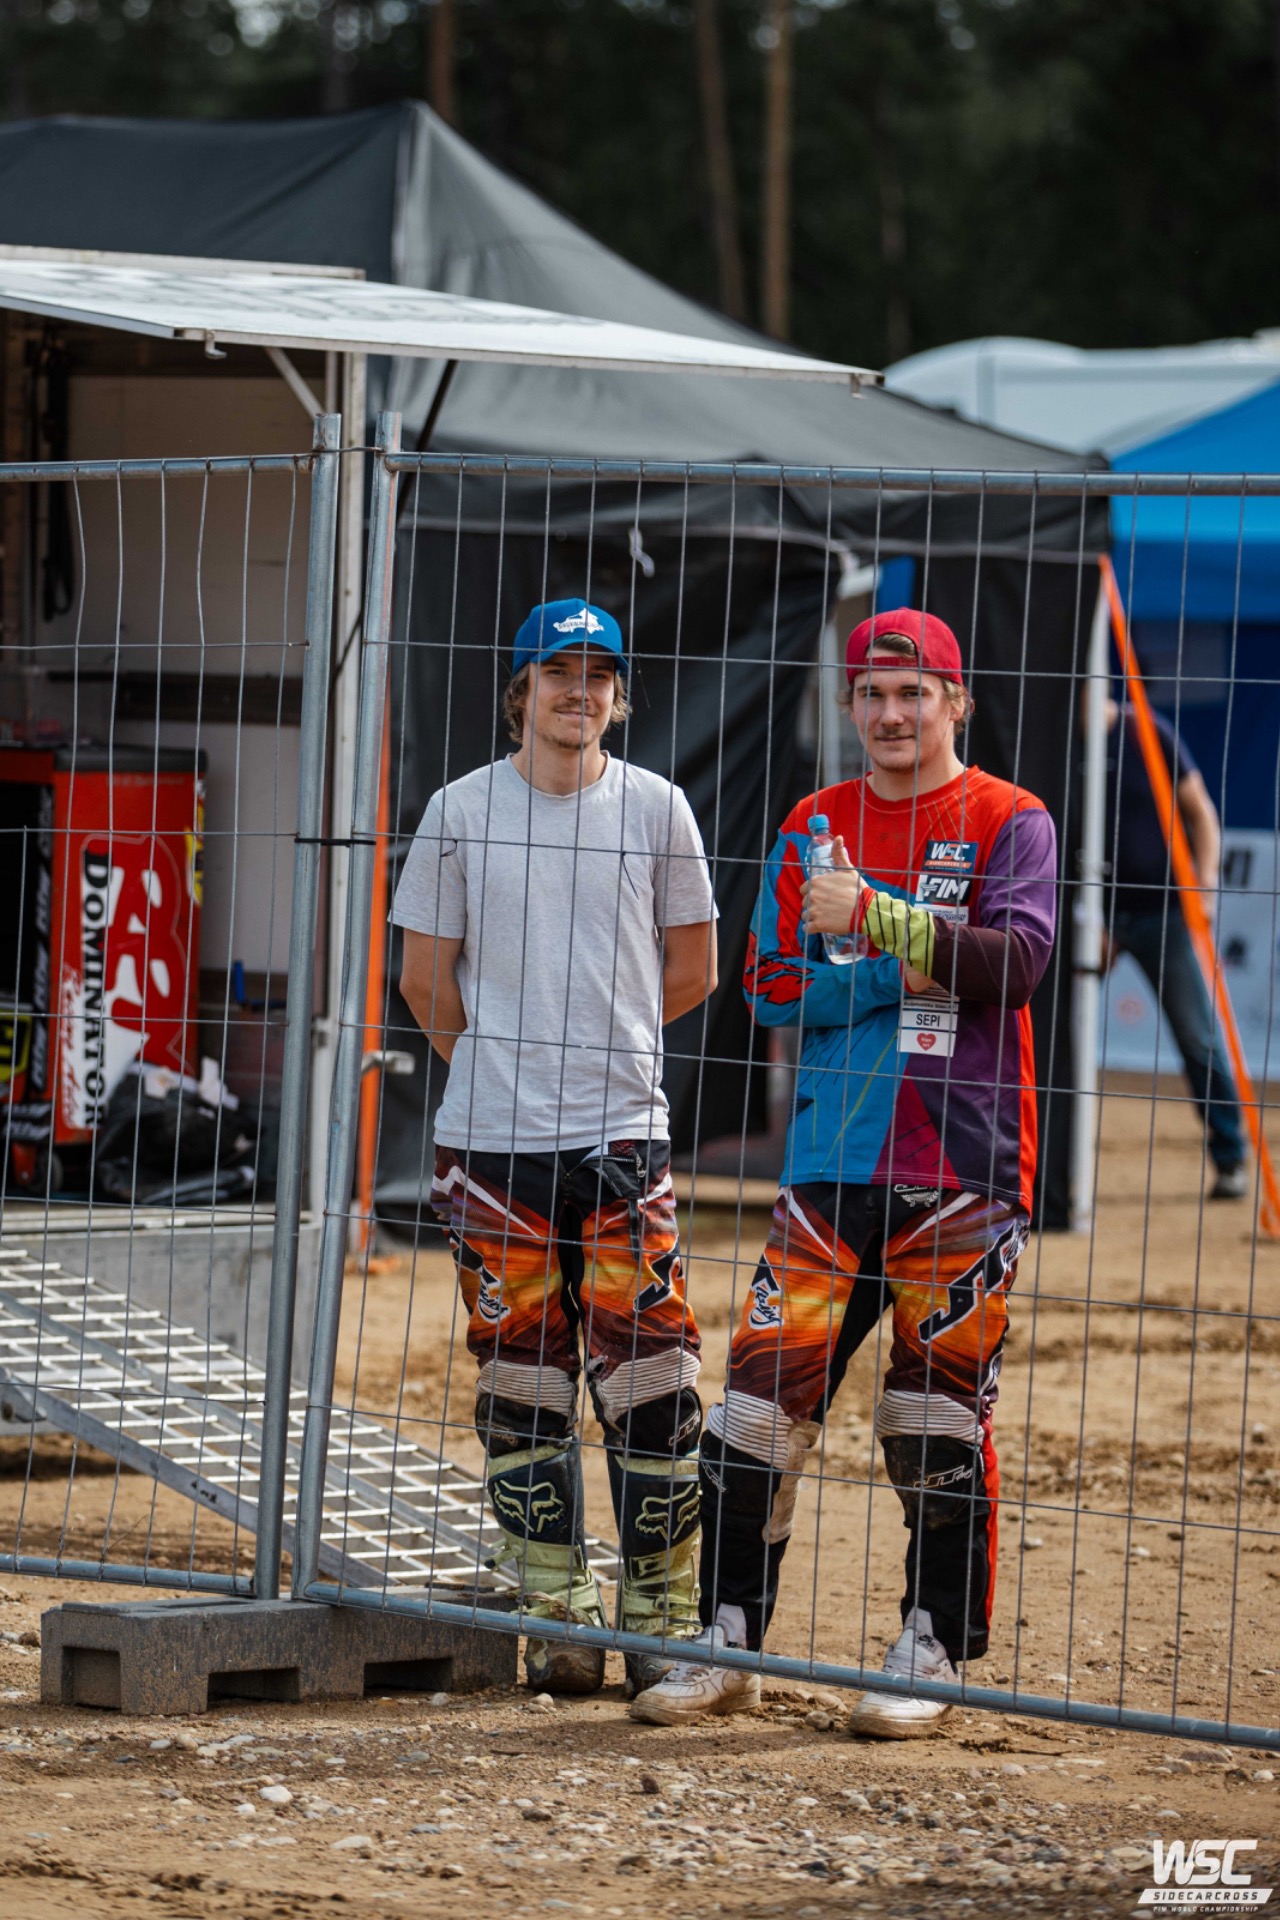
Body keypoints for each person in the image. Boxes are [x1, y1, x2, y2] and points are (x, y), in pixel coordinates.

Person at [631, 607, 1057, 1738]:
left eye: (913, 693)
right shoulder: (812, 822)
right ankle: (726, 1643)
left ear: (955, 703)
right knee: (756, 1409)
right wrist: (898, 966)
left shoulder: (1011, 818)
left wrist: (870, 919)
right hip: (826, 1167)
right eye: (871, 693)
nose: (890, 713)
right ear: (848, 703)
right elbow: (768, 990)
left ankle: (930, 1652)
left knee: (932, 1419)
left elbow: (1016, 964)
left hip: (963, 1162)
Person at [393, 598, 718, 1699]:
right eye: (558, 673)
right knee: (522, 1383)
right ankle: (557, 1614)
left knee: (656, 1379)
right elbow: (423, 981)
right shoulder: (458, 810)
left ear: (617, 697)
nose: (580, 692)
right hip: (492, 1148)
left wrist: (603, 1048)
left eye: (599, 675)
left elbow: (693, 971)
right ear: (519, 692)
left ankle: (660, 1616)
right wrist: (500, 1067)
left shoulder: (658, 808)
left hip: (623, 1138)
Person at [1101, 698, 1246, 1199]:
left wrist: (1205, 890)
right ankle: (1042, 1161)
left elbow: (1201, 814)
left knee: (1197, 1036)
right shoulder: (1055, 741)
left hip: (1163, 911)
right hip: (1088, 914)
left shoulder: (1146, 730)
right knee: (1047, 1030)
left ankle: (1230, 1156)